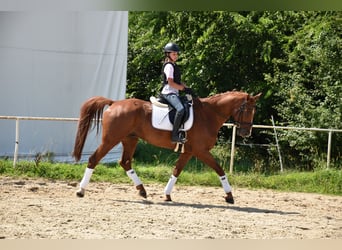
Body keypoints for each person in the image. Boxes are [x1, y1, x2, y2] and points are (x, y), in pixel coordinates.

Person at [160, 42, 192, 144]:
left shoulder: (174, 65)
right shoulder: (169, 66)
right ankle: (174, 135)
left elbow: (178, 81)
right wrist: (183, 89)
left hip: (174, 92)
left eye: (177, 54)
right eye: (174, 54)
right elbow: (170, 82)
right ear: (168, 54)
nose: (176, 56)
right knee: (181, 109)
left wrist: (187, 88)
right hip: (168, 93)